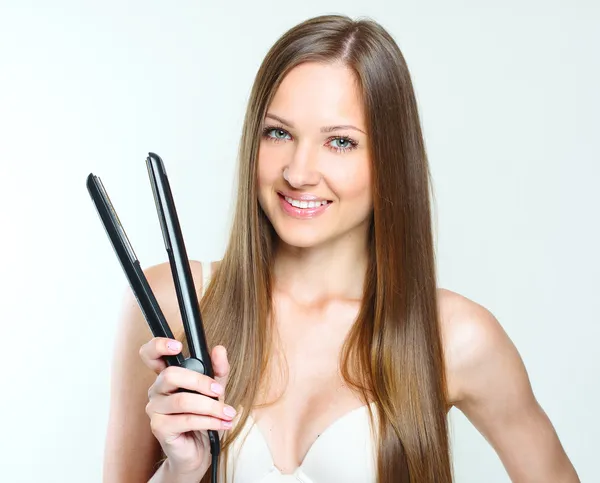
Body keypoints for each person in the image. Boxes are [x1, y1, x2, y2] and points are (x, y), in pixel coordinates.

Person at [102, 14, 579, 483]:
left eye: (340, 142)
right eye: (279, 133)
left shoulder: (454, 336)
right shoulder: (169, 304)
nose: (299, 171)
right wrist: (181, 472)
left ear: (389, 160)